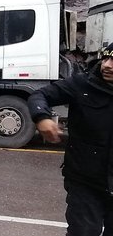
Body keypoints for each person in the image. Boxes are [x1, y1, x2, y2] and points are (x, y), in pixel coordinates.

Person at [28, 43, 113, 235]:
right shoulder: (82, 84)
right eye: (106, 58)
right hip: (85, 181)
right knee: (84, 231)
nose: (107, 65)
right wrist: (42, 117)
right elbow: (39, 95)